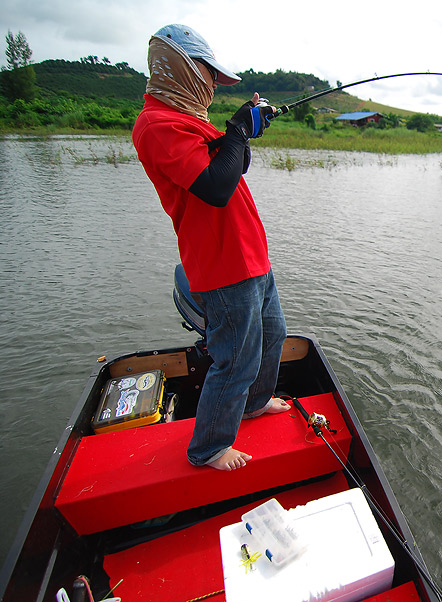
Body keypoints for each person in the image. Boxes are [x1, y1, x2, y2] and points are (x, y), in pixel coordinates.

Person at [132, 24, 290, 471]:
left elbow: (235, 165)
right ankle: (209, 449)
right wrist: (237, 131)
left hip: (251, 255)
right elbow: (216, 187)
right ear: (182, 67)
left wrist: (241, 132)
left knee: (272, 337)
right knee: (235, 360)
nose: (212, 85)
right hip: (222, 265)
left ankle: (254, 405)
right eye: (207, 73)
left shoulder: (190, 121)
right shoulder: (157, 124)